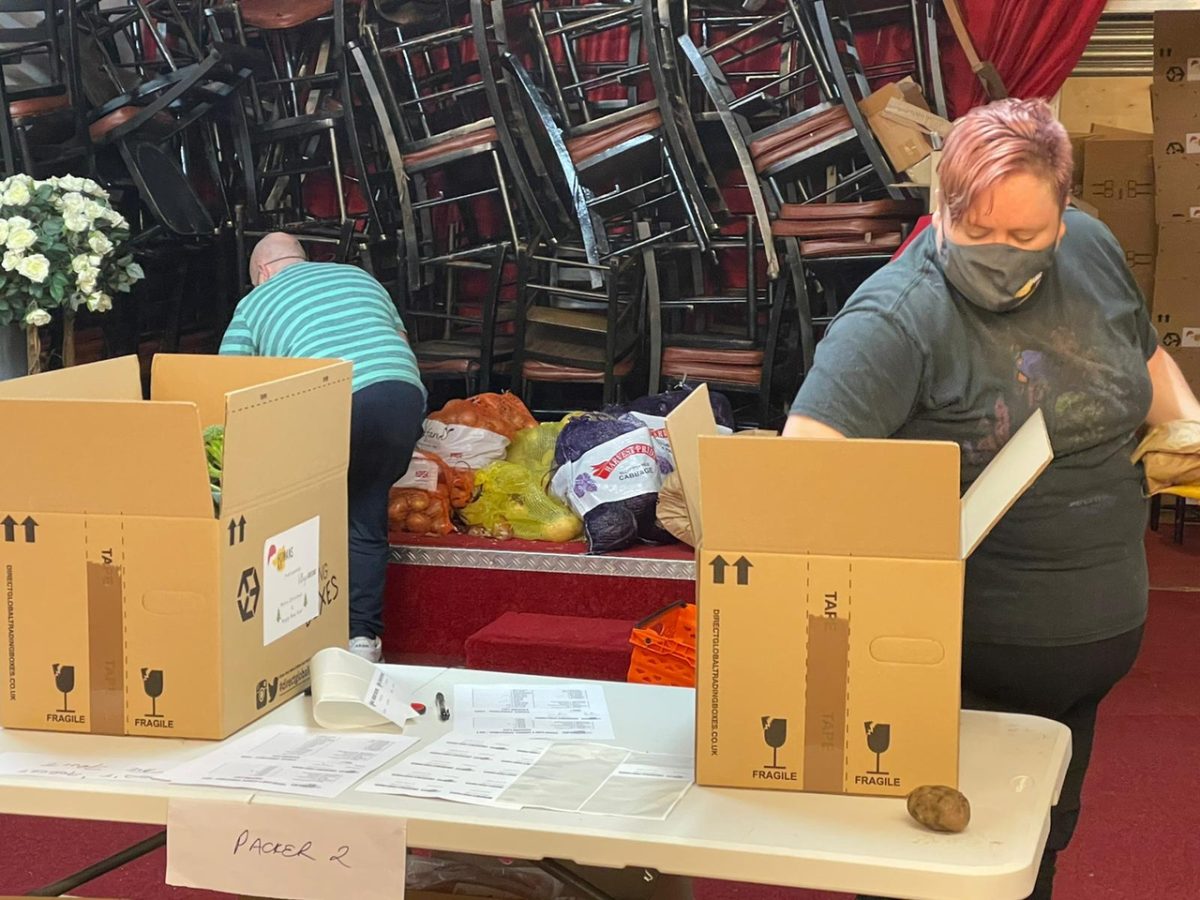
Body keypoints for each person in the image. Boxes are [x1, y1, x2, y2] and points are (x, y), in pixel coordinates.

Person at [784, 99, 1200, 899]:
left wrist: (1185, 429)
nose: (1000, 254)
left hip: (1092, 647)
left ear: (1063, 214)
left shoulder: (1093, 248)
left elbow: (1145, 360)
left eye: (1024, 236)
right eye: (976, 232)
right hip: (960, 667)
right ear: (940, 207)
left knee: (1035, 850)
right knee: (933, 872)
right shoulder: (895, 320)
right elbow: (803, 482)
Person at [220, 233, 427, 663]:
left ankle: (293, 636)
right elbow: (401, 345)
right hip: (401, 396)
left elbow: (227, 385)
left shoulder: (254, 303)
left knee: (297, 514)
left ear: (262, 273)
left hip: (334, 399)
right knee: (365, 515)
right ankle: (361, 641)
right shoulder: (358, 277)